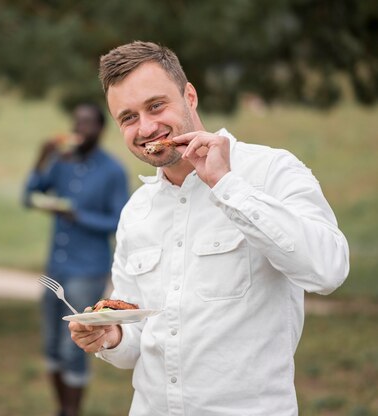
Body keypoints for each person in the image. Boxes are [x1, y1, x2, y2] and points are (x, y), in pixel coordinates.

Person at [69, 41, 350, 415]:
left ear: (190, 96)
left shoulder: (271, 171)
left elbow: (328, 270)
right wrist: (111, 335)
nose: (147, 127)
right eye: (128, 117)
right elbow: (138, 337)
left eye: (156, 106)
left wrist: (227, 185)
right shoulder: (136, 211)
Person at [24, 103, 130, 416]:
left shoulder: (112, 170)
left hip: (87, 270)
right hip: (55, 268)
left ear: (100, 129)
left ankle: (73, 411)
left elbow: (118, 222)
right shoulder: (61, 161)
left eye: (88, 124)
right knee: (51, 348)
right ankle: (62, 410)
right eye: (77, 123)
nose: (81, 129)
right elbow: (29, 196)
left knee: (74, 348)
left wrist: (77, 216)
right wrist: (42, 157)